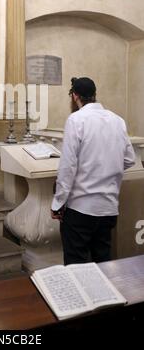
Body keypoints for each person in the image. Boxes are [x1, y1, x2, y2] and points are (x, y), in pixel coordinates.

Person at [51, 77, 136, 265]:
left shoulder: (76, 119)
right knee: (103, 264)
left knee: (76, 266)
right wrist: (106, 168)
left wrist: (58, 202)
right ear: (95, 95)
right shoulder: (117, 120)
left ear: (75, 96)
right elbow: (130, 159)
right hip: (108, 208)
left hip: (81, 207)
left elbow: (68, 167)